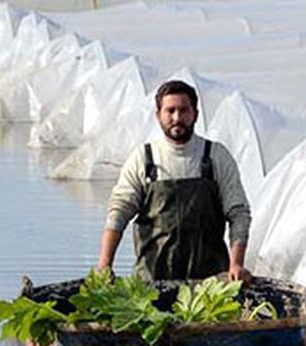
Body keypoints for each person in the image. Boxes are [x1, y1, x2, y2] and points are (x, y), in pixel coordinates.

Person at [96, 80, 252, 282]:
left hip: (210, 283)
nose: (177, 117)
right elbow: (119, 211)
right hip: (151, 283)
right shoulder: (143, 159)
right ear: (158, 115)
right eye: (170, 111)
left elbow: (238, 212)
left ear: (195, 114)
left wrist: (236, 263)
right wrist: (104, 264)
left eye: (184, 110)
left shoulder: (216, 156)